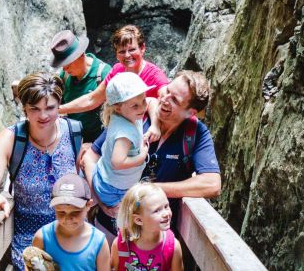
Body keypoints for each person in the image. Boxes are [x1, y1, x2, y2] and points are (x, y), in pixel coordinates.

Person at [84, 70, 221, 236]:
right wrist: (100, 198)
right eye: (168, 91)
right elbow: (91, 157)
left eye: (175, 100)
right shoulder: (135, 115)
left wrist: (146, 190)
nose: (164, 99)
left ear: (190, 112)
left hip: (153, 241)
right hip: (109, 227)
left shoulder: (195, 134)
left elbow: (212, 184)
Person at [0, 72, 79, 271]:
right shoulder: (11, 138)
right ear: (24, 108)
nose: (43, 115)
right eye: (34, 109)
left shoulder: (73, 132)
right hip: (29, 244)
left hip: (71, 236)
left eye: (50, 108)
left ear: (59, 105)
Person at [59, 25, 169, 117]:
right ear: (116, 54)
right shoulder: (117, 70)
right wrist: (57, 110)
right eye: (122, 51)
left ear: (142, 48)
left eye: (132, 49)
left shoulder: (155, 76)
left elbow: (168, 102)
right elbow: (92, 99)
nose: (127, 55)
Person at [92, 73, 159, 208]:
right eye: (135, 106)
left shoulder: (127, 114)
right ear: (117, 106)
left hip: (106, 175)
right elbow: (117, 162)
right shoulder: (124, 133)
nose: (142, 108)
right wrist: (142, 157)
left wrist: (154, 126)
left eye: (143, 101)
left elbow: (151, 100)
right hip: (114, 189)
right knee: (124, 220)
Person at [30, 174, 110, 271]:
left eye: (75, 212)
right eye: (61, 212)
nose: (68, 219)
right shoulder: (42, 238)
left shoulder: (99, 242)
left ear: (89, 205)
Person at [50, 30, 111, 142]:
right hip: (73, 139)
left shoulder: (103, 74)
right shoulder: (65, 76)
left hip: (98, 142)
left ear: (81, 55)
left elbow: (93, 101)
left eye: (67, 63)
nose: (64, 69)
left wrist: (95, 146)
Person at [111, 183, 183, 271]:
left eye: (166, 206)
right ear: (138, 220)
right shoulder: (120, 244)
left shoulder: (173, 247)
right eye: (157, 210)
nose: (166, 213)